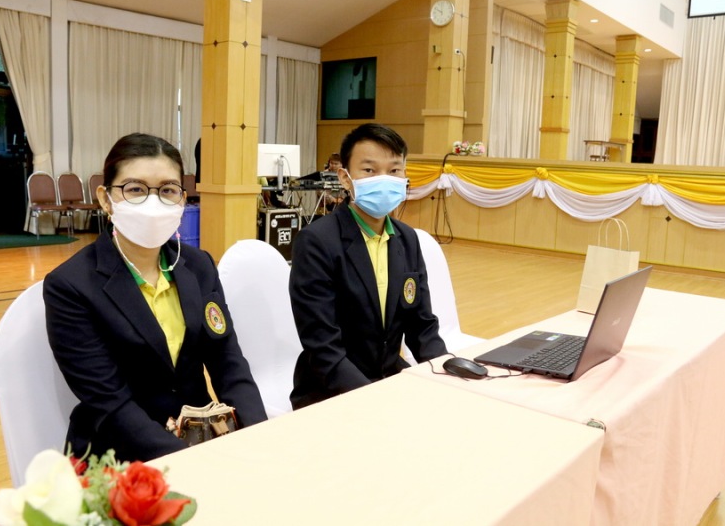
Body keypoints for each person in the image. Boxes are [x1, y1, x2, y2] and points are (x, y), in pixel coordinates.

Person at [44, 133, 267, 461]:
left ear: (182, 199)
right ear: (106, 199)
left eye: (167, 190)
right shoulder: (71, 286)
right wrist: (188, 460)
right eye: (135, 189)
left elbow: (228, 362)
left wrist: (259, 433)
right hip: (121, 453)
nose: (153, 203)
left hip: (200, 433)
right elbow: (110, 403)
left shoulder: (199, 265)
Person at [288, 123, 447, 409]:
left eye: (394, 170)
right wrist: (373, 399)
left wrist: (448, 372)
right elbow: (323, 347)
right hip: (330, 389)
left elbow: (421, 326)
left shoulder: (407, 238)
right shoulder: (316, 242)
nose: (384, 179)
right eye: (370, 170)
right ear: (345, 178)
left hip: (388, 378)